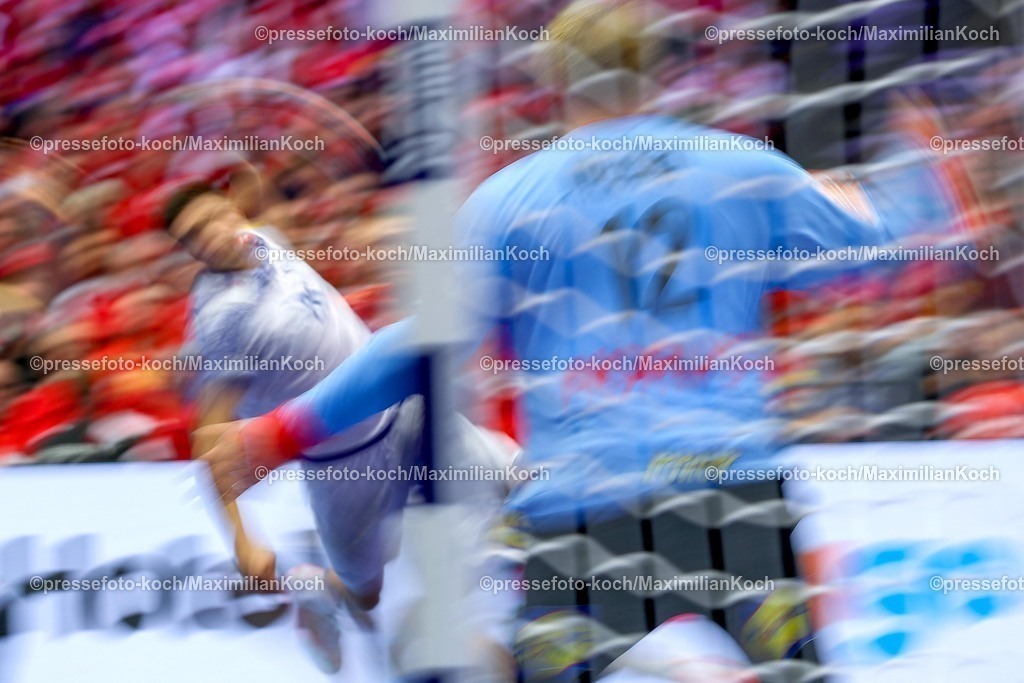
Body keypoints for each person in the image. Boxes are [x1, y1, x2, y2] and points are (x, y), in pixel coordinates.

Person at [198, 0, 962, 674]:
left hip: (588, 510)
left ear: (555, 78)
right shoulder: (739, 169)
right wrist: (924, 175)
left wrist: (281, 430)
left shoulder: (510, 200)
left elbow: (425, 347)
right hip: (735, 496)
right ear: (658, 72)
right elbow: (873, 244)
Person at [165, 182, 439, 673]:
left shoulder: (263, 237)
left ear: (234, 212)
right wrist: (242, 541)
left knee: (497, 470)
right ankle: (319, 588)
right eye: (193, 237)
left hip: (394, 397)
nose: (210, 236)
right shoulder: (225, 321)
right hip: (342, 463)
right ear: (190, 252)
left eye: (215, 218)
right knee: (367, 592)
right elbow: (210, 438)